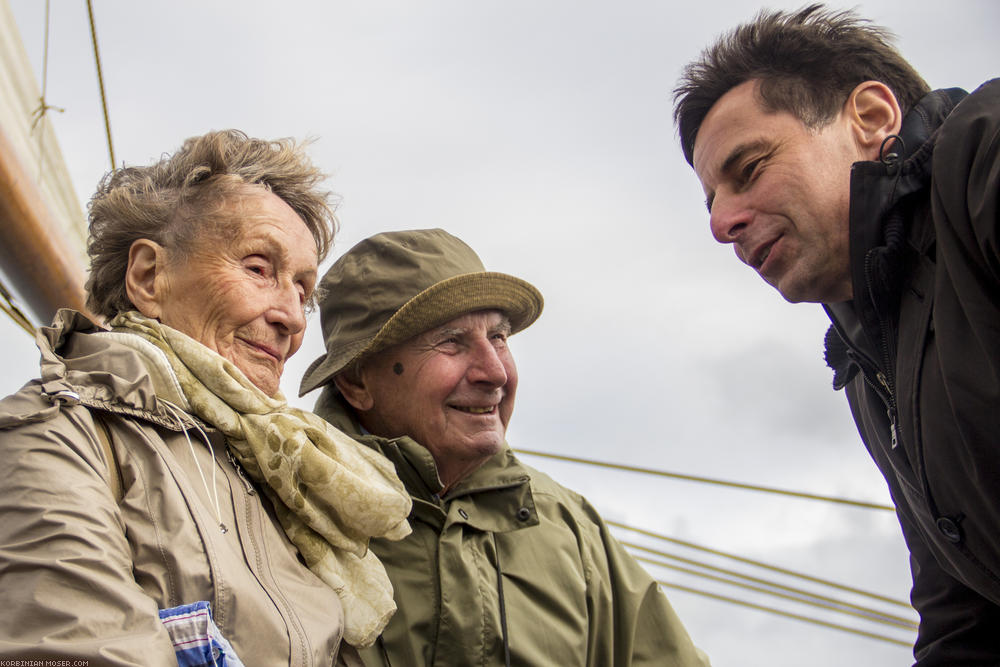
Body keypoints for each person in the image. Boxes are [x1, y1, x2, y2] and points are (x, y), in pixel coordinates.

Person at [0, 130, 411, 665]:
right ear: (150, 276)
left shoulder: (280, 471)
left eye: (303, 291)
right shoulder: (51, 440)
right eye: (259, 269)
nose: (290, 317)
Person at [673, 4, 1000, 664]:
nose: (722, 224)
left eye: (750, 167)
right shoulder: (866, 359)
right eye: (712, 202)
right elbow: (965, 615)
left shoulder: (983, 159)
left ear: (873, 118)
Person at [299, 228, 709, 667]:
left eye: (499, 337)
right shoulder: (283, 511)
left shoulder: (568, 527)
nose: (494, 372)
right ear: (357, 381)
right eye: (451, 341)